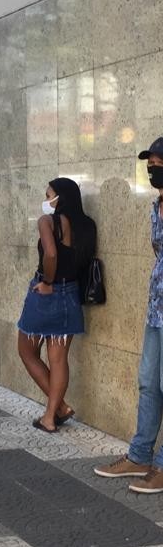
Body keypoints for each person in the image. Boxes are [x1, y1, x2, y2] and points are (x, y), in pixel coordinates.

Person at [95, 138, 163, 490]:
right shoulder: (156, 205)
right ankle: (139, 457)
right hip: (157, 309)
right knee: (149, 382)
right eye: (149, 162)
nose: (152, 168)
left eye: (157, 162)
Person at [16, 177, 95, 432]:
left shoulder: (47, 221)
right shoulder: (86, 225)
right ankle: (52, 415)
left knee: (27, 351)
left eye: (48, 193)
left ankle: (58, 410)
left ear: (59, 197)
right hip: (71, 294)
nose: (46, 198)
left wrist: (48, 281)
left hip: (47, 295)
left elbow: (51, 254)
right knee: (59, 360)